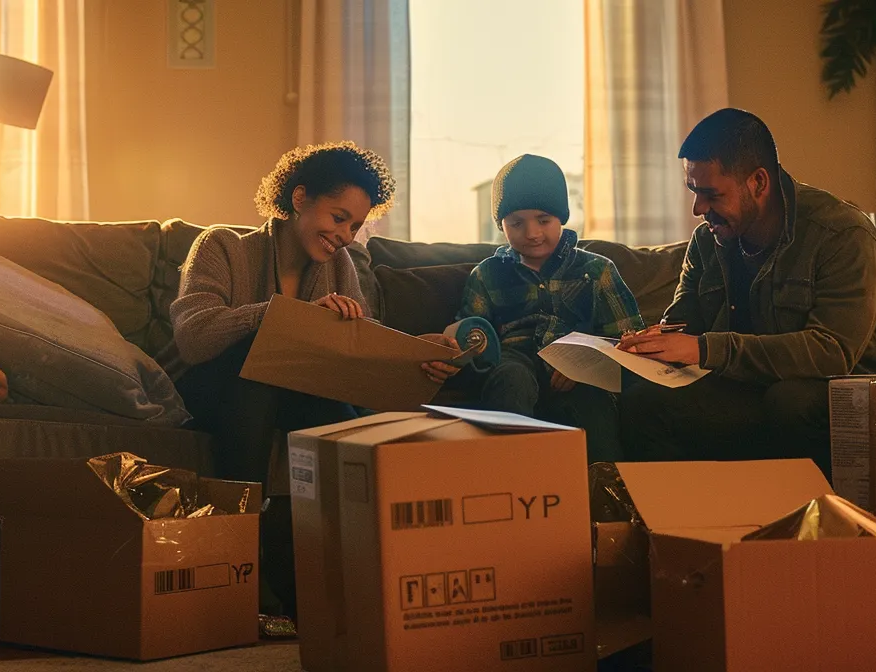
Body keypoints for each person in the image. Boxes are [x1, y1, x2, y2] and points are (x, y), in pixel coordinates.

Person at [615, 109, 876, 473]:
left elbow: (831, 352)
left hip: (856, 388)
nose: (698, 209)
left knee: (790, 400)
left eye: (711, 194)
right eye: (694, 192)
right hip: (757, 384)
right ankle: (683, 521)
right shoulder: (708, 242)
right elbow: (682, 324)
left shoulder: (842, 234)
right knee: (643, 403)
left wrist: (706, 348)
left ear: (757, 182)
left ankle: (808, 520)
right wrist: (649, 344)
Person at [170, 140, 393, 619]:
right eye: (338, 217)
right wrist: (285, 317)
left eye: (355, 226)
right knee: (262, 359)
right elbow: (194, 336)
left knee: (327, 409)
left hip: (293, 392)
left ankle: (325, 573)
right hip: (214, 388)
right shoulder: (222, 245)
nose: (346, 236)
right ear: (298, 198)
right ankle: (241, 555)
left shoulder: (339, 267)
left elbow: (353, 356)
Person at [422, 155, 644, 462]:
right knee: (510, 377)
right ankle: (515, 477)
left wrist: (586, 364)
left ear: (562, 218)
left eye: (543, 220)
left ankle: (607, 485)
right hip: (513, 360)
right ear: (501, 224)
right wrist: (456, 348)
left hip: (578, 369)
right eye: (516, 223)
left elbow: (627, 339)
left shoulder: (597, 269)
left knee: (592, 399)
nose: (532, 233)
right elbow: (473, 336)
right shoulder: (487, 274)